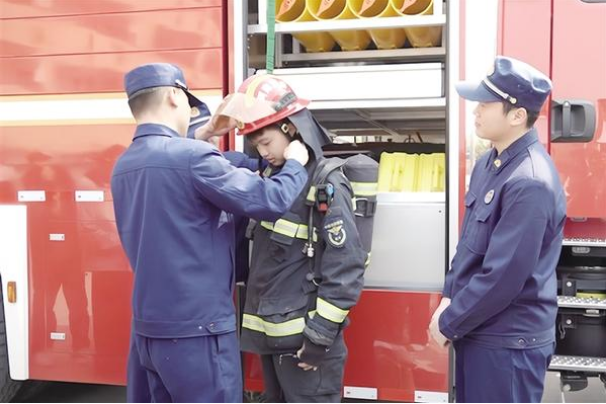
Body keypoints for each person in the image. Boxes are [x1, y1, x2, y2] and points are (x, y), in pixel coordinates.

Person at [111, 63, 310, 403]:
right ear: (174, 96)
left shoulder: (124, 165)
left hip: (148, 331)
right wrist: (294, 162)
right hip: (198, 332)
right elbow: (270, 199)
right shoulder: (191, 158)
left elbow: (173, 167)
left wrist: (203, 135)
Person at [220, 75, 367, 403]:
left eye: (266, 142)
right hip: (275, 341)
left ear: (290, 129)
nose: (263, 152)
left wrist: (319, 337)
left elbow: (346, 267)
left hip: (306, 346)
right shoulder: (274, 179)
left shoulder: (326, 184)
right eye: (256, 145)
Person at [428, 56, 566, 402]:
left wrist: (450, 321)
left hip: (508, 344)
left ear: (517, 116)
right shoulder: (489, 163)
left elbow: (504, 276)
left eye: (486, 104)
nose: (475, 110)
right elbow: (469, 246)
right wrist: (449, 298)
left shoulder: (530, 181)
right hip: (483, 332)